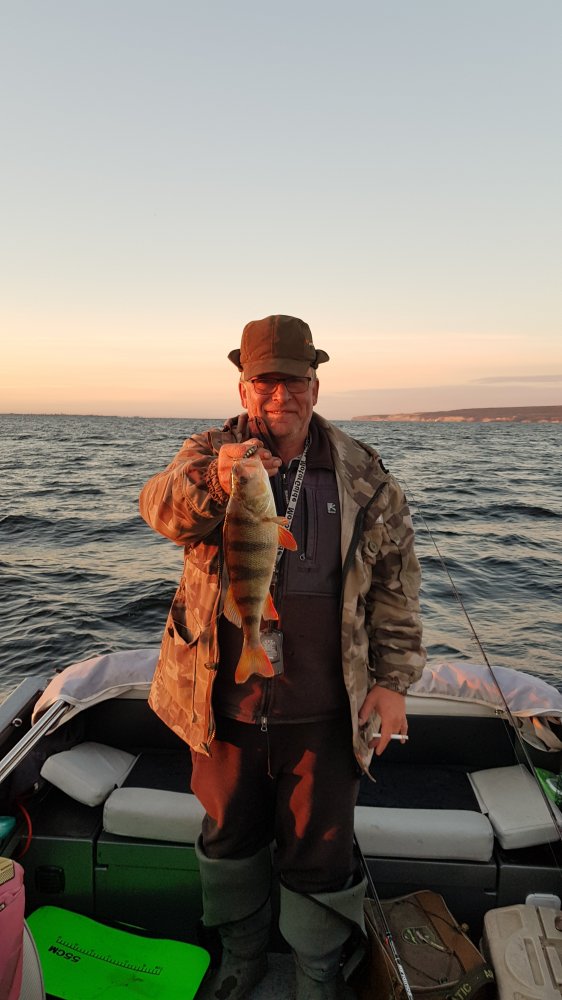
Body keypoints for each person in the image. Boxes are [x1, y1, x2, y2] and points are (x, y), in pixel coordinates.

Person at [139, 315, 426, 1000]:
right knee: (228, 836)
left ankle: (316, 974)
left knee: (322, 850)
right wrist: (218, 480)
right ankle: (240, 958)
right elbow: (158, 509)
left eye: (294, 382)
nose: (280, 396)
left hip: (325, 708)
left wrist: (393, 682)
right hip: (222, 703)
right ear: (243, 389)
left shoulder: (362, 472)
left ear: (315, 387)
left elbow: (396, 583)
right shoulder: (209, 452)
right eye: (265, 383)